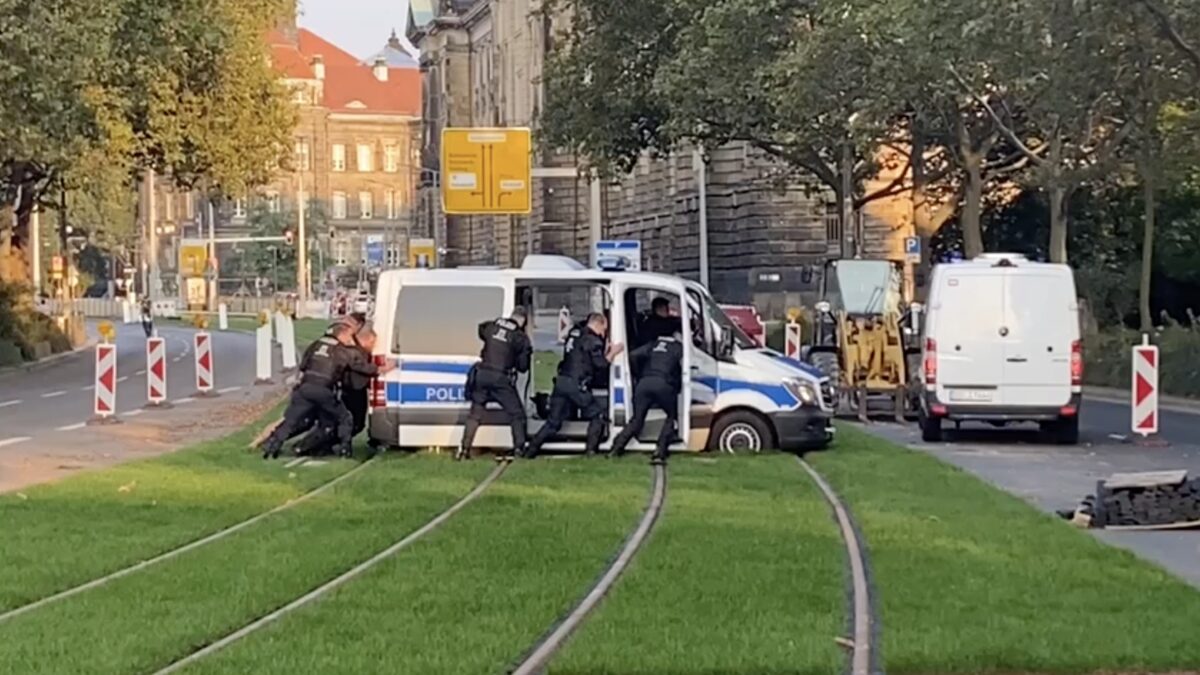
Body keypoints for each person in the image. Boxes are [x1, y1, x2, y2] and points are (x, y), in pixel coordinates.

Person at [260, 323, 393, 459]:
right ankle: (344, 450)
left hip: (304, 389)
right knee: (345, 418)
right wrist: (383, 368)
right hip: (324, 390)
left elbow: (303, 365)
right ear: (341, 334)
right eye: (348, 336)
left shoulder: (316, 345)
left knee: (291, 420)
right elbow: (360, 367)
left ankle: (271, 447)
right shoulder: (342, 350)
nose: (350, 339)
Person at [525, 313, 624, 458]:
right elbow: (601, 364)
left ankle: (530, 450)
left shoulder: (574, 334)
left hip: (561, 382)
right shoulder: (592, 340)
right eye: (604, 328)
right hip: (576, 385)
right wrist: (612, 352)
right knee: (598, 415)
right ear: (598, 324)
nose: (603, 332)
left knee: (553, 422)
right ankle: (591, 452)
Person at [457, 307, 533, 462]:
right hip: (500, 378)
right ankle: (519, 449)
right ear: (523, 320)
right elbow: (523, 367)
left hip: (482, 374)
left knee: (475, 415)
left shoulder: (492, 325)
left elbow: (481, 330)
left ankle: (464, 450)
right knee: (517, 414)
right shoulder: (519, 337)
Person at [609, 325, 684, 465]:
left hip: (643, 384)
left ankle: (615, 449)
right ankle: (659, 452)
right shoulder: (678, 347)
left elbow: (633, 355)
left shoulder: (653, 344)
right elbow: (682, 367)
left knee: (637, 419)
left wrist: (639, 373)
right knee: (672, 417)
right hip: (663, 385)